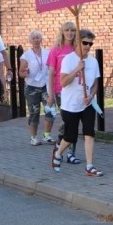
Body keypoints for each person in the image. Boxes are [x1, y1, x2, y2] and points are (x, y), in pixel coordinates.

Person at [50, 28, 102, 176]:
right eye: (85, 43)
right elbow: (63, 82)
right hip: (71, 104)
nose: (87, 46)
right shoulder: (69, 59)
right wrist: (76, 69)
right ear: (77, 42)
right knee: (70, 136)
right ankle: (58, 152)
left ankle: (90, 166)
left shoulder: (93, 61)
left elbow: (96, 84)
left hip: (87, 104)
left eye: (90, 44)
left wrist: (91, 96)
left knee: (89, 133)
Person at [46, 21, 81, 163]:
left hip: (76, 89)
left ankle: (70, 153)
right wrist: (50, 94)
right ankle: (61, 142)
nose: (70, 33)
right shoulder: (56, 50)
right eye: (67, 30)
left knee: (74, 122)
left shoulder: (78, 48)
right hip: (61, 90)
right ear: (62, 32)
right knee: (68, 121)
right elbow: (51, 73)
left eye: (72, 30)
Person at [19, 29, 53, 145]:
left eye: (38, 38)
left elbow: (52, 67)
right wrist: (25, 73)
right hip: (31, 87)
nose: (36, 40)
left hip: (45, 86)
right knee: (34, 112)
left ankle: (47, 135)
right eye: (33, 38)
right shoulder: (26, 55)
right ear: (30, 41)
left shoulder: (47, 53)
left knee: (50, 110)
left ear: (41, 39)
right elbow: (21, 72)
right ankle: (33, 137)